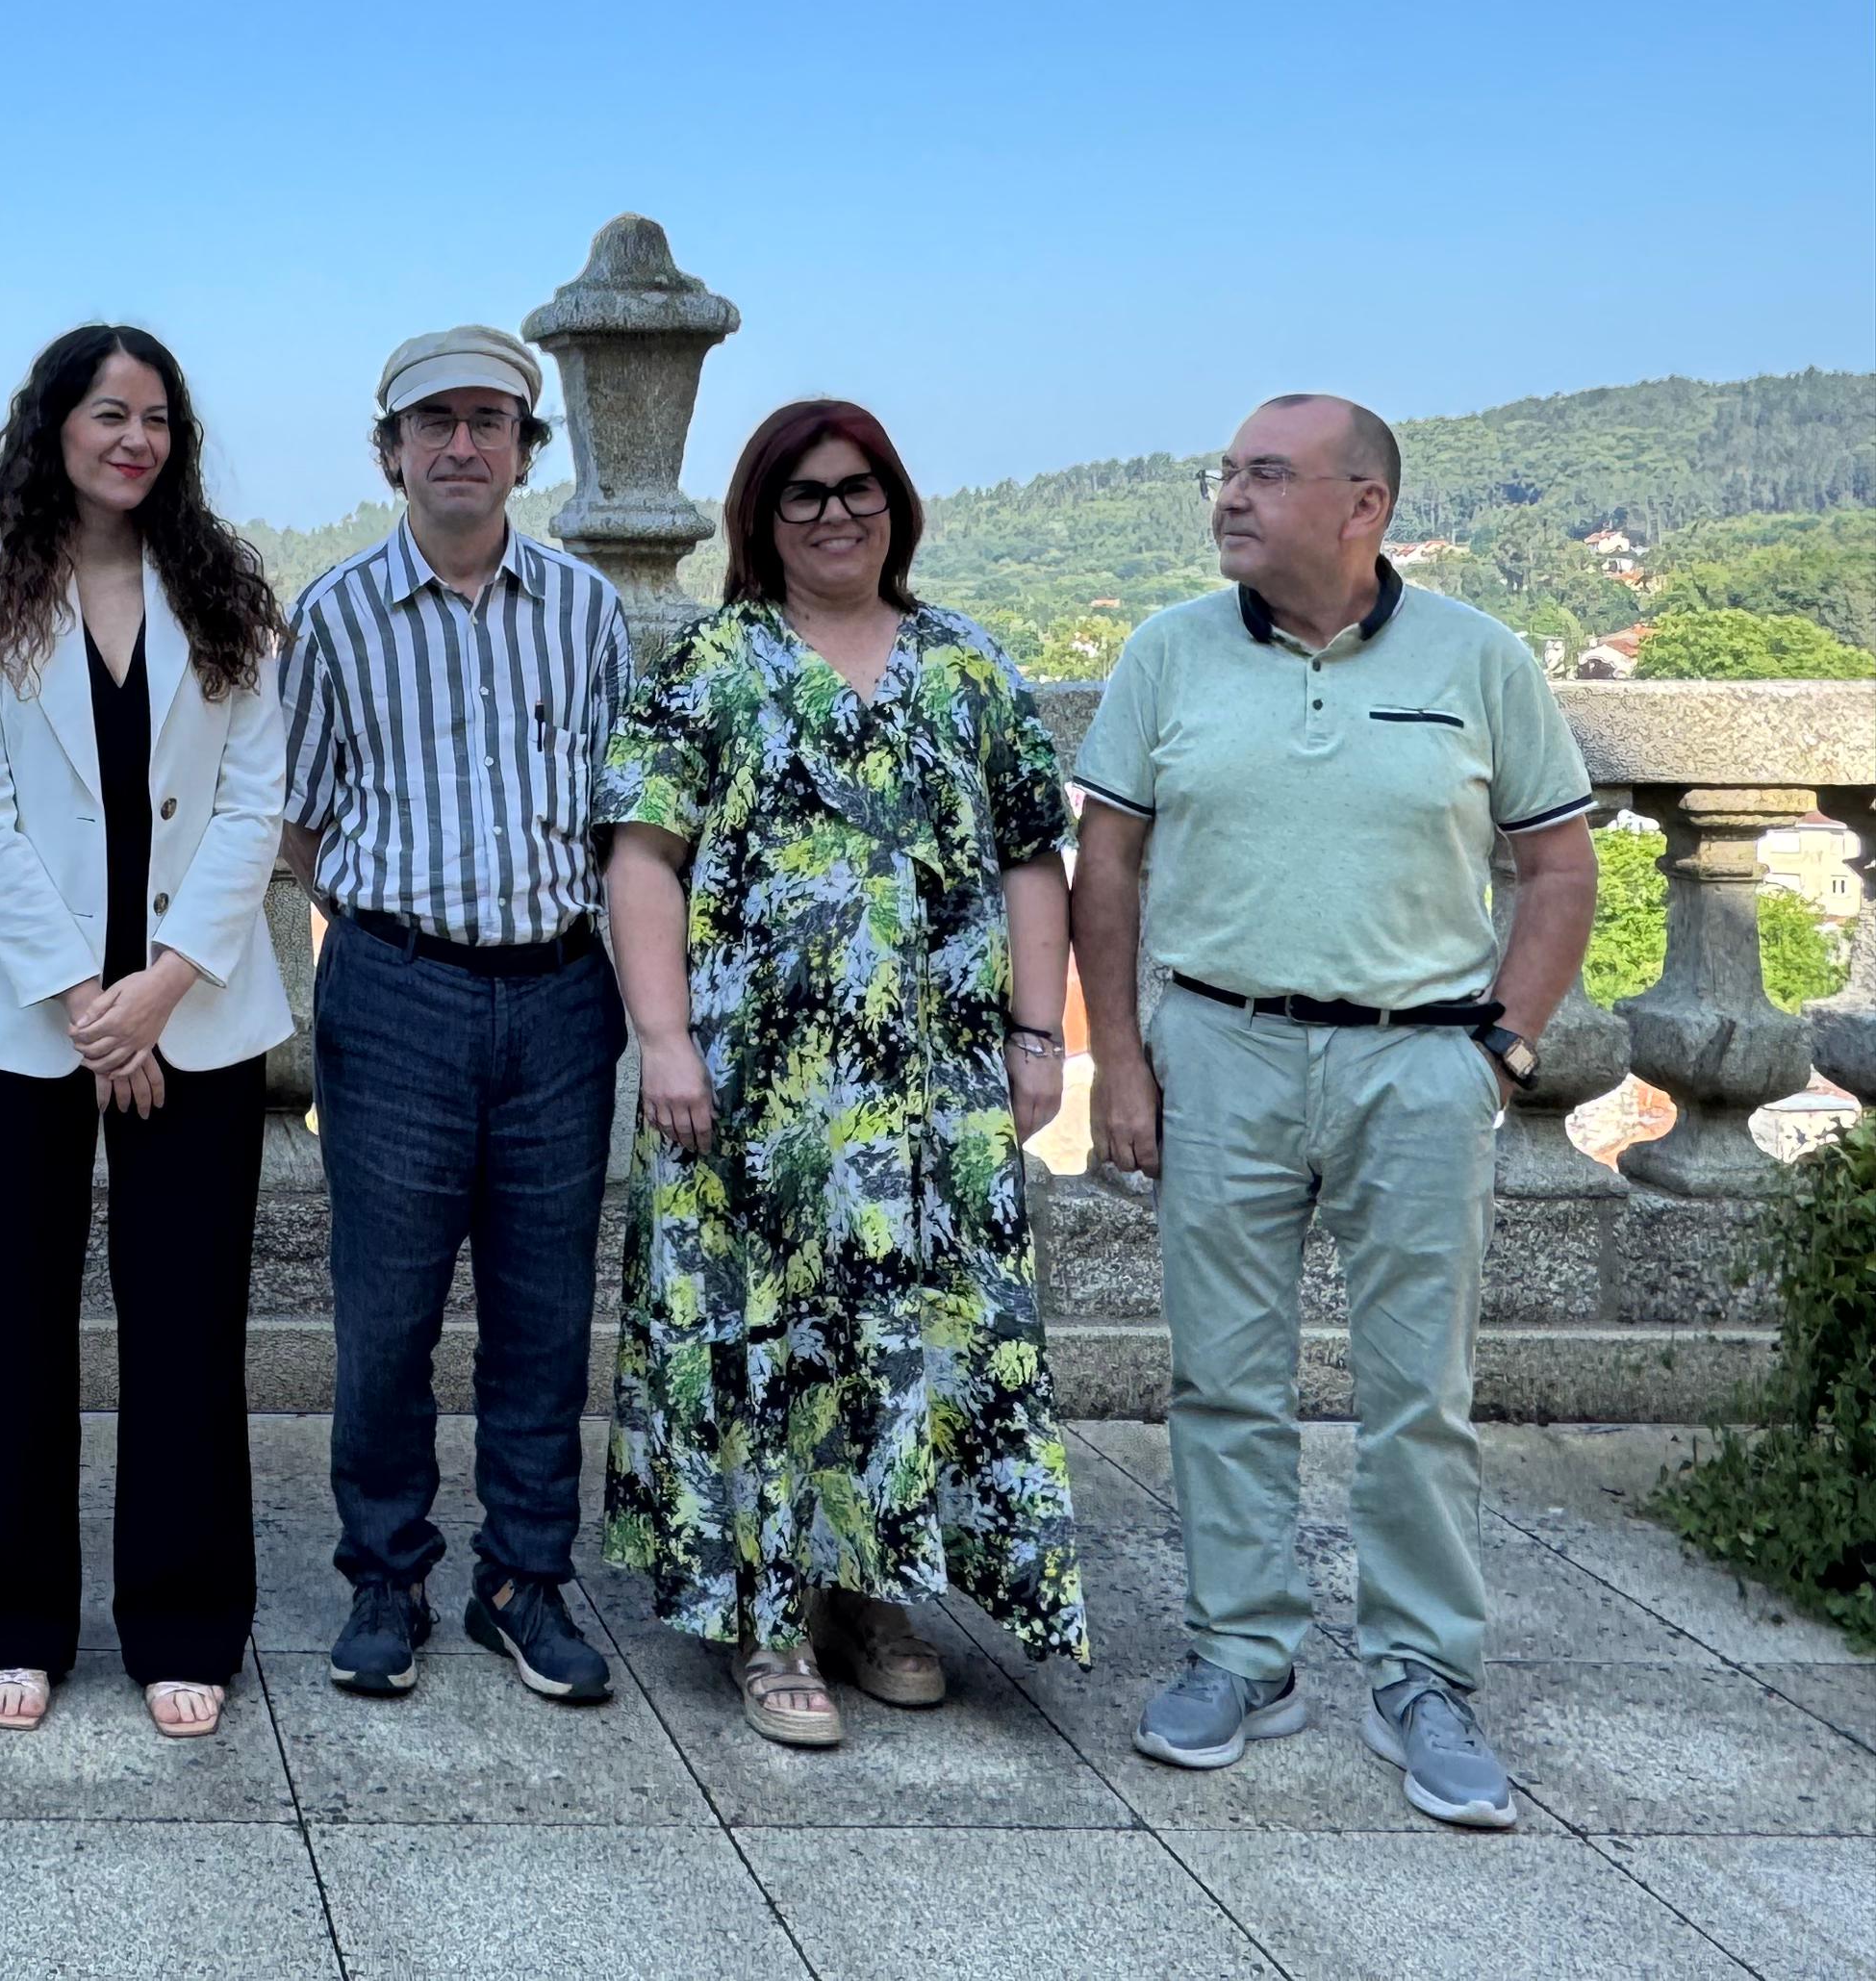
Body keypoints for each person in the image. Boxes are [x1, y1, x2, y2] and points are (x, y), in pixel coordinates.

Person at [1074, 393, 1596, 1830]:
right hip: (1223, 1049)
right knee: (1221, 1379)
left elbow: (1556, 868)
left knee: (1416, 1395)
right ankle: (1243, 1654)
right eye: (1223, 473)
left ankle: (1424, 1675)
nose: (1227, 497)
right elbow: (1103, 868)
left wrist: (1502, 1047)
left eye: (1264, 474)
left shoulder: (1480, 661)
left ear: (1362, 504)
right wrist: (1121, 1060)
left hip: (1416, 1063)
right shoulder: (1168, 652)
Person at [598, 400, 1088, 1749]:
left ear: (898, 503)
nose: (834, 514)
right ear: (762, 518)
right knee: (761, 1346)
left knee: (905, 1337)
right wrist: (667, 1040)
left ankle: (873, 1594)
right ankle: (763, 1622)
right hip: (750, 1095)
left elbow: (1030, 859)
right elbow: (642, 853)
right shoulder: (716, 665)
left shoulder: (970, 668)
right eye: (802, 495)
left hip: (933, 1095)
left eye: (857, 488)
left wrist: (1038, 1039)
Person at [0, 326, 291, 1740]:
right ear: (53, 427)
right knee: (13, 1325)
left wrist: (160, 988)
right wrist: (89, 1001)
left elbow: (254, 805)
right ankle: (9, 1612)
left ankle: (185, 1617)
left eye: (155, 417)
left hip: (195, 1013)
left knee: (189, 1327)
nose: (132, 438)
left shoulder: (227, 588)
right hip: (24, 1018)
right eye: (106, 413)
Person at [281, 323, 632, 1709]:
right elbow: (300, 819)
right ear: (390, 452)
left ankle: (525, 1577)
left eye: (491, 422)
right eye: (436, 424)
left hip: (561, 993)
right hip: (398, 989)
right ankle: (386, 1569)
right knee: (386, 1309)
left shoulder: (588, 610)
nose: (463, 446)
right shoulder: (334, 616)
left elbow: (622, 815)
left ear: (525, 451)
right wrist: (404, 920)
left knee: (544, 1310)